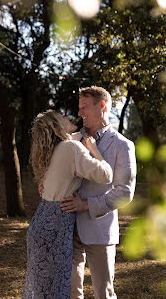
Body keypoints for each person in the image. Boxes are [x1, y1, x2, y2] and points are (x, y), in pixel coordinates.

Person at [22, 109, 113, 299]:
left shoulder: (52, 150)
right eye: (61, 117)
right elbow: (106, 175)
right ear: (57, 126)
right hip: (56, 225)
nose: (67, 117)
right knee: (57, 289)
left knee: (43, 290)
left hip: (40, 222)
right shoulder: (72, 148)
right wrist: (93, 149)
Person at [60, 86, 137, 299]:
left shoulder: (123, 145)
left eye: (84, 107)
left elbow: (124, 192)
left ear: (101, 106)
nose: (79, 112)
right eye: (79, 107)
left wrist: (86, 205)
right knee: (71, 292)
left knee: (104, 293)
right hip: (67, 226)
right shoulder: (70, 139)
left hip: (100, 229)